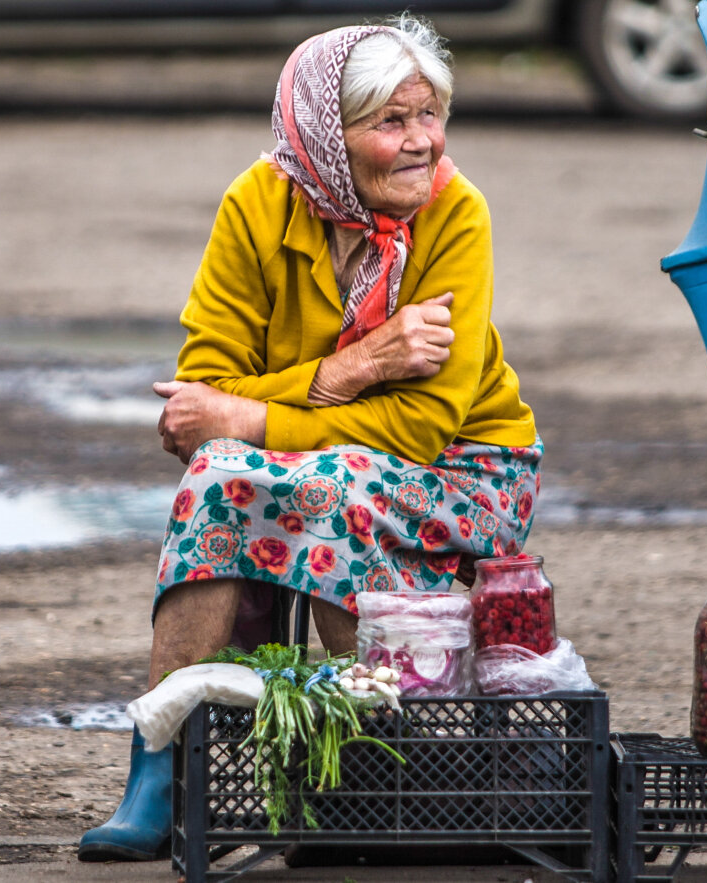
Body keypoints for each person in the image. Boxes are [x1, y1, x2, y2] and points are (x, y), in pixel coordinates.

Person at [78, 14, 541, 862]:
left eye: (430, 115)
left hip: (470, 472)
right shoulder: (258, 203)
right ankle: (160, 761)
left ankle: (374, 765)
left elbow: (422, 424)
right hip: (329, 455)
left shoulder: (456, 214)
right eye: (391, 122)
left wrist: (255, 416)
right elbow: (199, 397)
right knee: (221, 472)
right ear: (327, 135)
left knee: (328, 482)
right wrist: (350, 368)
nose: (421, 144)